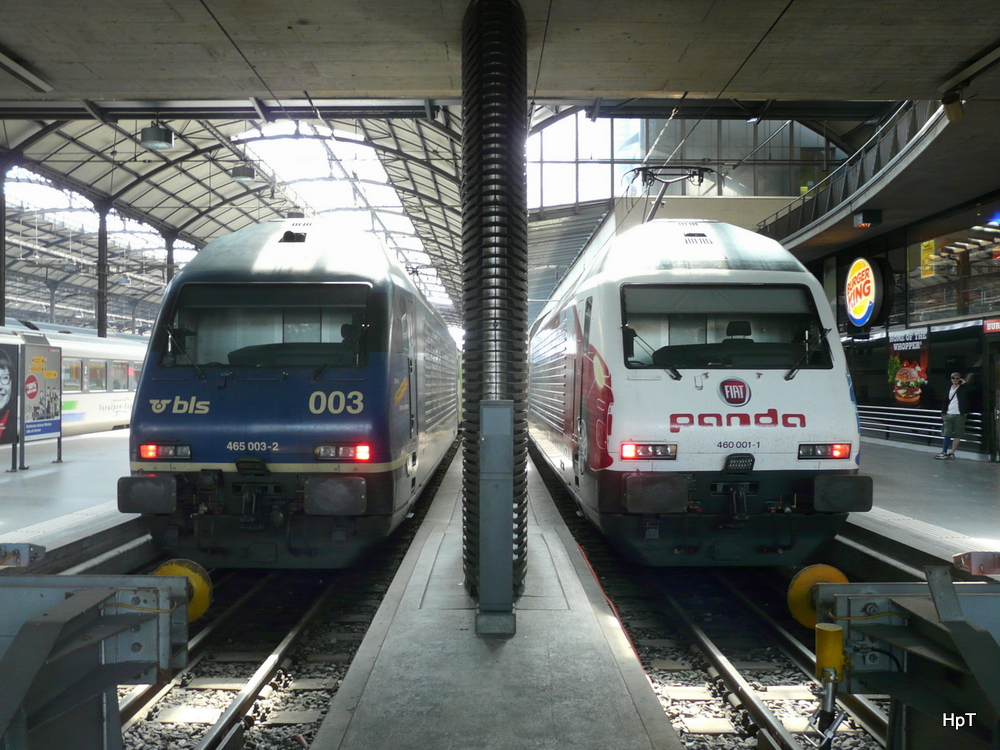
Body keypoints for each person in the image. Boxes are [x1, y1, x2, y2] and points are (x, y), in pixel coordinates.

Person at [936, 372, 970, 459]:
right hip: (949, 413)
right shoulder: (949, 388)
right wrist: (943, 413)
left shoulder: (963, 388)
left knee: (957, 434)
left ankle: (952, 452)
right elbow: (945, 400)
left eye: (957, 378)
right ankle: (944, 452)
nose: (955, 380)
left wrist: (965, 383)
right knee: (947, 433)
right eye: (953, 378)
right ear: (951, 379)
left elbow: (973, 390)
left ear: (960, 379)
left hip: (959, 414)